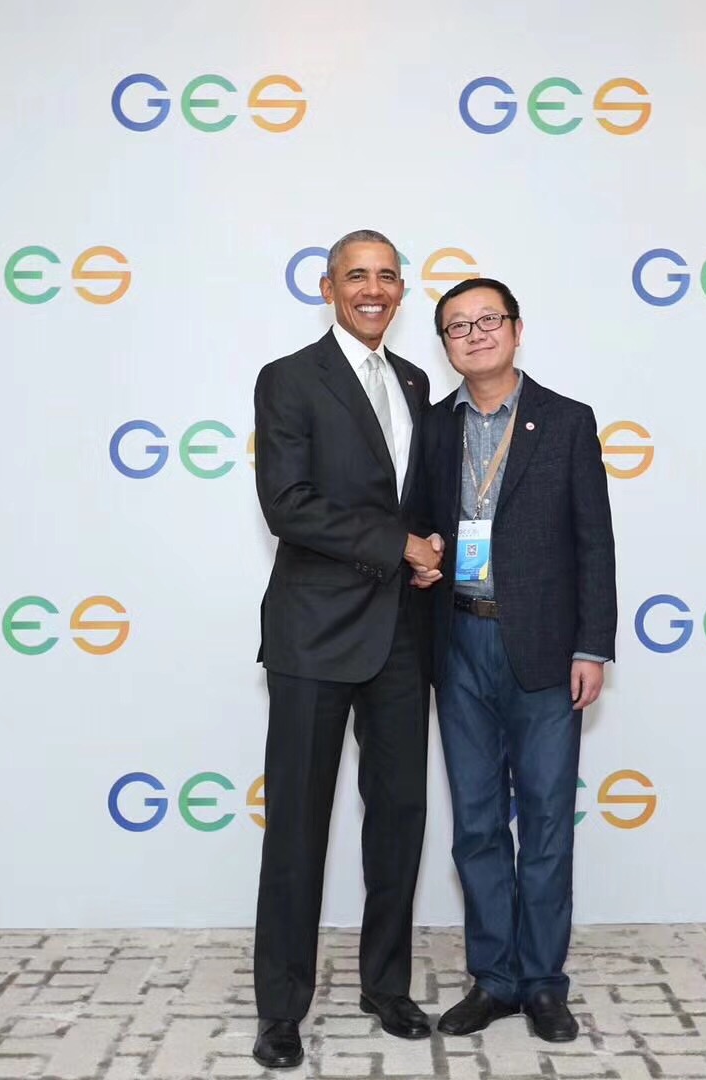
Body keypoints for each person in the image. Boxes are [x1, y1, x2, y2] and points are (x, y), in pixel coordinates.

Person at [250, 229, 445, 1070]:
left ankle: (386, 986)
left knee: (399, 818)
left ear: (402, 291)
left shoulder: (416, 380)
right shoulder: (289, 378)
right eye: (356, 276)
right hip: (314, 634)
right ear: (328, 287)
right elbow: (287, 504)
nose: (373, 289)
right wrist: (400, 544)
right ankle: (281, 1009)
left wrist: (432, 551)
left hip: (401, 634)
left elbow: (413, 498)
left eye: (387, 277)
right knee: (298, 826)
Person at [410, 276, 617, 1043]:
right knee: (475, 824)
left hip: (545, 650)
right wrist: (421, 556)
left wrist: (592, 645)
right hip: (458, 642)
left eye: (487, 320)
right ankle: (493, 979)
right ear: (445, 344)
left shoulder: (566, 421)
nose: (475, 334)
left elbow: (595, 541)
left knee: (548, 824)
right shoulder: (433, 427)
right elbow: (419, 525)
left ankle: (543, 983)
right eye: (457, 326)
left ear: (516, 329)